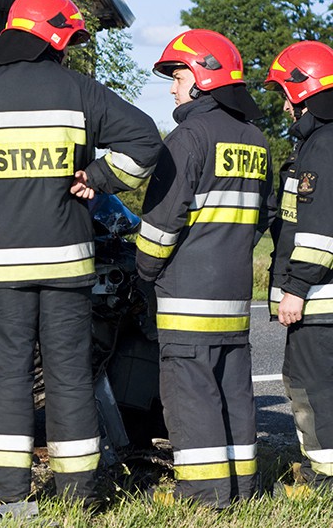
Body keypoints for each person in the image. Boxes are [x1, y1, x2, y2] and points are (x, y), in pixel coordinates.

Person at [0, 0, 162, 506]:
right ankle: (79, 495)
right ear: (56, 39)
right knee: (70, 377)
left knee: (7, 377)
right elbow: (147, 141)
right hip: (66, 263)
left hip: (0, 267)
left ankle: (6, 494)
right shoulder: (82, 91)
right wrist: (98, 176)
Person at [136, 29, 275, 508]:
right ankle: (244, 490)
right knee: (233, 390)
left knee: (191, 395)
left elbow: (160, 222)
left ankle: (205, 496)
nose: (172, 89)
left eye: (176, 77)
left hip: (187, 295)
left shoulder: (187, 138)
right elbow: (261, 217)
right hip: (234, 296)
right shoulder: (256, 141)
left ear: (200, 78)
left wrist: (146, 270)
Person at [265, 40, 333, 494]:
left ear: (300, 90)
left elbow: (318, 231)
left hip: (319, 300)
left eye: (284, 94)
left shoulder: (322, 146)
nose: (285, 107)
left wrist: (296, 288)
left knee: (314, 390)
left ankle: (322, 481)